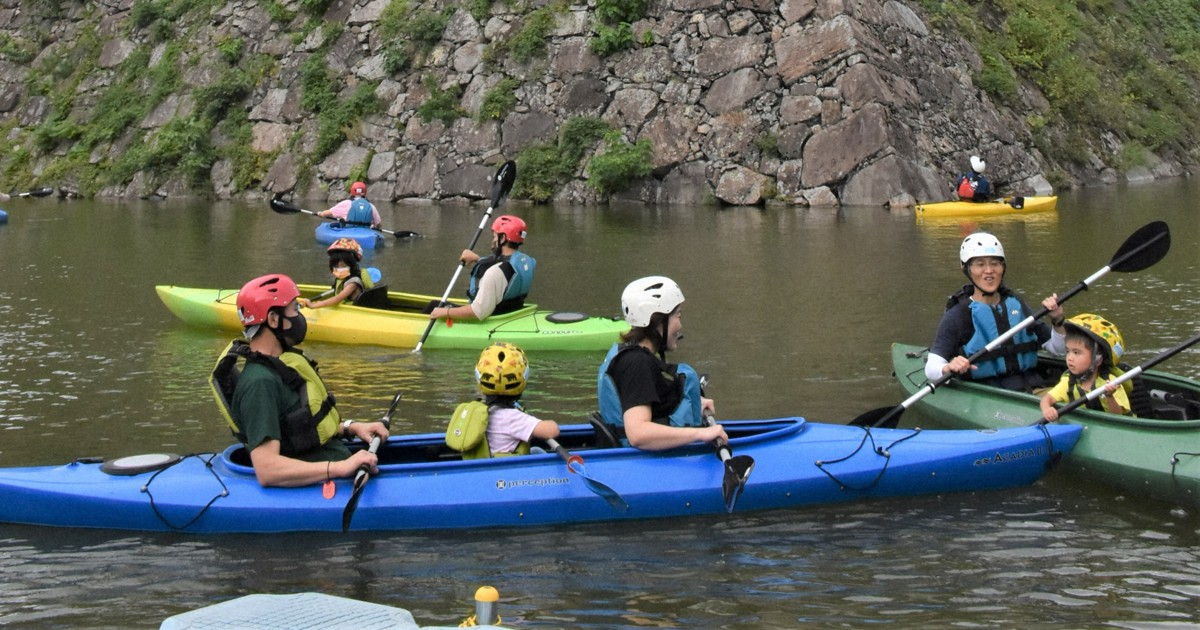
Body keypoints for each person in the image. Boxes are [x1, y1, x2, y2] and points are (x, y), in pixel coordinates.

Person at [210, 274, 389, 488]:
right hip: (325, 482)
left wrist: (351, 427)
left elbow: (296, 428)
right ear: (274, 319)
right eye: (295, 309)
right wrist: (340, 468)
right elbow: (267, 469)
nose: (300, 317)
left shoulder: (281, 366)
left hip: (333, 457)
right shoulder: (260, 384)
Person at [596, 276, 728, 450]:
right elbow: (638, 434)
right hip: (643, 465)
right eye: (677, 316)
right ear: (658, 320)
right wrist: (701, 434)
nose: (680, 325)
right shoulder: (636, 364)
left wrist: (693, 404)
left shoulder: (633, 355)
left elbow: (655, 405)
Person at [925, 232, 1067, 392]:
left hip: (1032, 386)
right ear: (966, 269)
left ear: (1003, 267)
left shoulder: (1016, 304)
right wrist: (948, 368)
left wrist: (1057, 320)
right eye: (980, 264)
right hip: (987, 393)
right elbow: (932, 368)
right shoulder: (958, 315)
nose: (989, 271)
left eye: (995, 264)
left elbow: (1058, 349)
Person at [427, 215, 536, 322]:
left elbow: (478, 311)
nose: (493, 240)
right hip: (511, 312)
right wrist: (477, 259)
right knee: (435, 304)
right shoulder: (524, 262)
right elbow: (502, 265)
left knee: (433, 306)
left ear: (502, 238)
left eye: (495, 236)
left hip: (492, 320)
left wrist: (446, 312)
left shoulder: (494, 273)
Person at [474, 342, 560, 456]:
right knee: (540, 452)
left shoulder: (477, 411)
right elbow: (552, 430)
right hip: (504, 470)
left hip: (484, 465)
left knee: (535, 451)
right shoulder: (513, 418)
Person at [1040, 314, 1131, 420]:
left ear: (1097, 360)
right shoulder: (1069, 381)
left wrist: (1109, 396)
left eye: (1076, 352)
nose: (1069, 358)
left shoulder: (1110, 382)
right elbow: (1047, 399)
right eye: (1068, 351)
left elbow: (1117, 416)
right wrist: (1047, 409)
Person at [299, 237, 374, 309]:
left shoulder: (353, 282)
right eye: (336, 266)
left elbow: (337, 299)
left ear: (352, 264)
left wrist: (313, 306)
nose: (339, 269)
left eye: (343, 266)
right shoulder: (342, 279)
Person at [318, 181, 382, 229]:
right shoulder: (371, 206)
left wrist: (320, 213)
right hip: (366, 232)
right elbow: (378, 224)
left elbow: (327, 213)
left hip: (348, 231)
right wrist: (374, 227)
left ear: (352, 191)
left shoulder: (346, 203)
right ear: (364, 192)